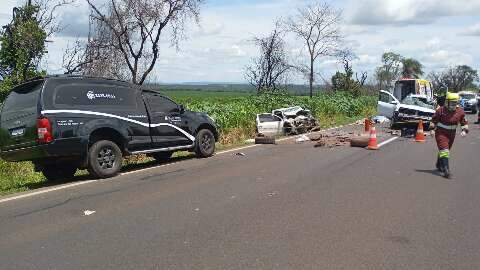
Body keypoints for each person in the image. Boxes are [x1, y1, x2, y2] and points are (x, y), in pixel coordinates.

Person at [430, 92, 469, 178]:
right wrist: (432, 129)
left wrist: (464, 130)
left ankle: (439, 163)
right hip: (441, 133)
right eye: (451, 103)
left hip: (452, 134)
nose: (453, 105)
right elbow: (433, 120)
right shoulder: (440, 110)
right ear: (446, 102)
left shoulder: (460, 111)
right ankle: (446, 170)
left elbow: (464, 122)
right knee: (445, 150)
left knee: (445, 150)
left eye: (455, 103)